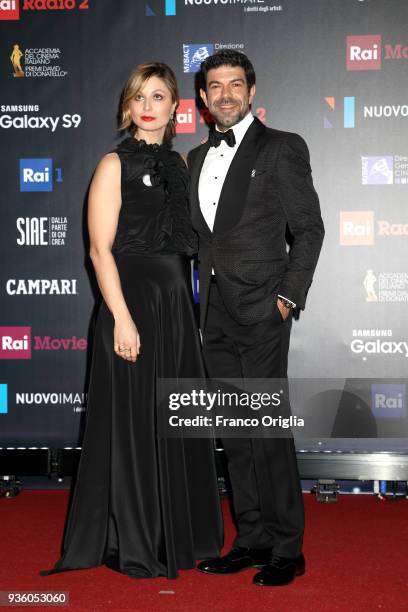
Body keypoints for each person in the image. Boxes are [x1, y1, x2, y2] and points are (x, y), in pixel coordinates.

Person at [40, 62, 222, 579]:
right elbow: (99, 251)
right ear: (128, 106)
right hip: (131, 303)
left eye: (159, 95)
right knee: (134, 424)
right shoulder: (112, 164)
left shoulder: (183, 166)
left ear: (175, 108)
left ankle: (176, 533)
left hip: (174, 309)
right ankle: (134, 537)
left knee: (172, 421)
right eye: (140, 96)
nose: (148, 105)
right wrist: (121, 318)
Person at [187, 50, 325, 587]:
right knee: (236, 433)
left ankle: (288, 547)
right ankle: (251, 538)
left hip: (263, 309)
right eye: (215, 86)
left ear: (250, 90)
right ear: (202, 98)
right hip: (214, 311)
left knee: (266, 431)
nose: (225, 94)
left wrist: (287, 298)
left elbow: (308, 230)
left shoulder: (282, 148)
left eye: (235, 84)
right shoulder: (195, 159)